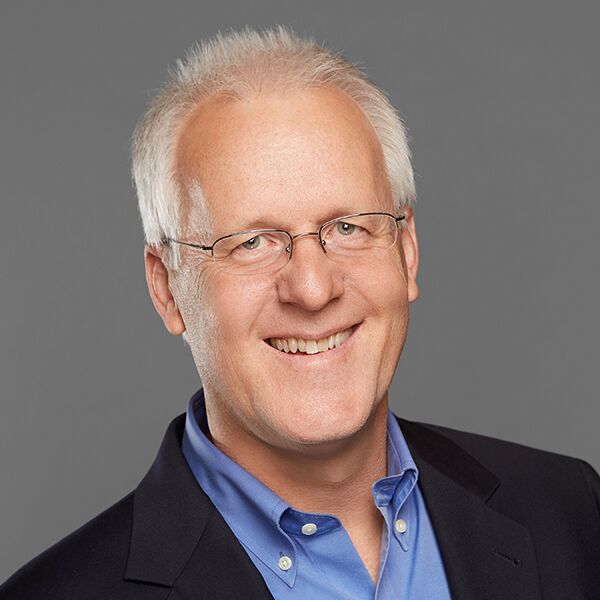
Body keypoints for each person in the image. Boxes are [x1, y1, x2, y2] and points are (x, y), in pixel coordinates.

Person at [1, 26, 598, 600]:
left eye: (348, 227)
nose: (312, 290)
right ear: (168, 289)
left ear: (407, 251)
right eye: (251, 242)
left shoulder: (570, 514)